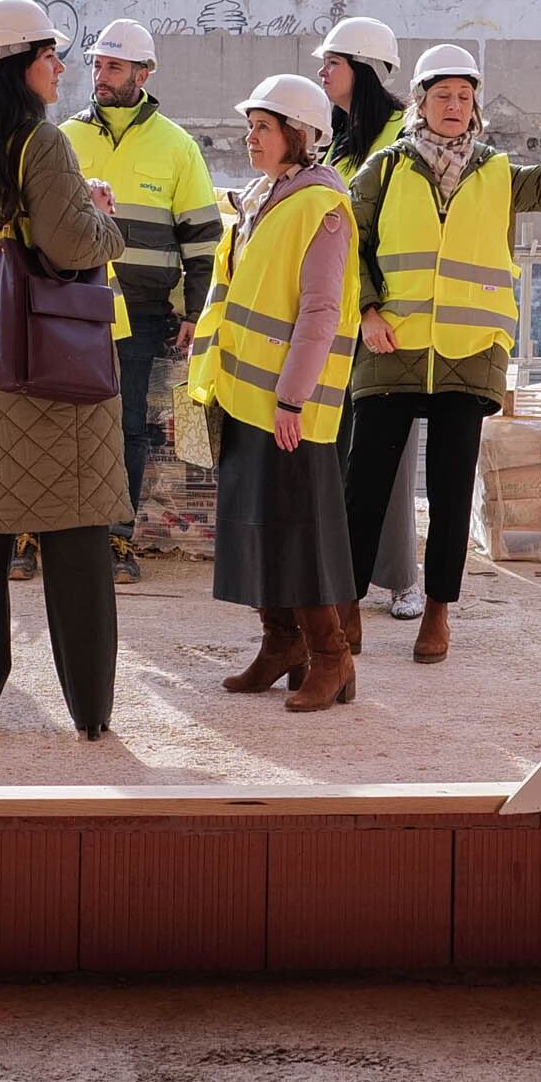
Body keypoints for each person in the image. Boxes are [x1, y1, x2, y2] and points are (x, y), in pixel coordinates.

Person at [345, 45, 541, 661]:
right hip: (392, 348)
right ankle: (342, 609)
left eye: (464, 97)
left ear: (474, 106)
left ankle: (437, 612)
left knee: (453, 490)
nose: (454, 107)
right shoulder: (382, 170)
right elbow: (349, 243)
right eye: (442, 96)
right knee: (364, 488)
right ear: (420, 103)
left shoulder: (499, 174)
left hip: (470, 352)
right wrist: (367, 309)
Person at [0, 0, 131, 738]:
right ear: (20, 62)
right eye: (51, 54)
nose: (61, 67)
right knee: (76, 538)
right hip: (49, 368)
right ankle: (90, 713)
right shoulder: (36, 141)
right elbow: (73, 245)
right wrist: (107, 219)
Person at [190, 73, 361, 713]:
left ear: (299, 134)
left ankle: (331, 656)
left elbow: (320, 312)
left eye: (263, 126)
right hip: (242, 397)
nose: (250, 137)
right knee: (258, 527)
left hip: (289, 408)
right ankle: (280, 644)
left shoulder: (322, 208)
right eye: (253, 125)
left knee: (298, 531)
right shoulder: (260, 199)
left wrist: (292, 398)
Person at [59, 18, 222, 586]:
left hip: (144, 313)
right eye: (98, 65)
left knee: (126, 427)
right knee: (59, 424)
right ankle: (43, 537)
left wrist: (197, 311)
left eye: (114, 67)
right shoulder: (63, 139)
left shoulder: (176, 146)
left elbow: (202, 240)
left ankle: (116, 537)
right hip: (70, 307)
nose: (101, 76)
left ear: (143, 74)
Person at [315, 17, 428, 628]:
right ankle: (343, 571)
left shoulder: (399, 137)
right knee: (339, 449)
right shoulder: (339, 140)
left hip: (384, 319)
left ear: (360, 66)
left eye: (331, 62)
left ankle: (402, 579)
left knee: (390, 448)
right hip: (340, 315)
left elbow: (392, 233)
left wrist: (372, 306)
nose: (321, 72)